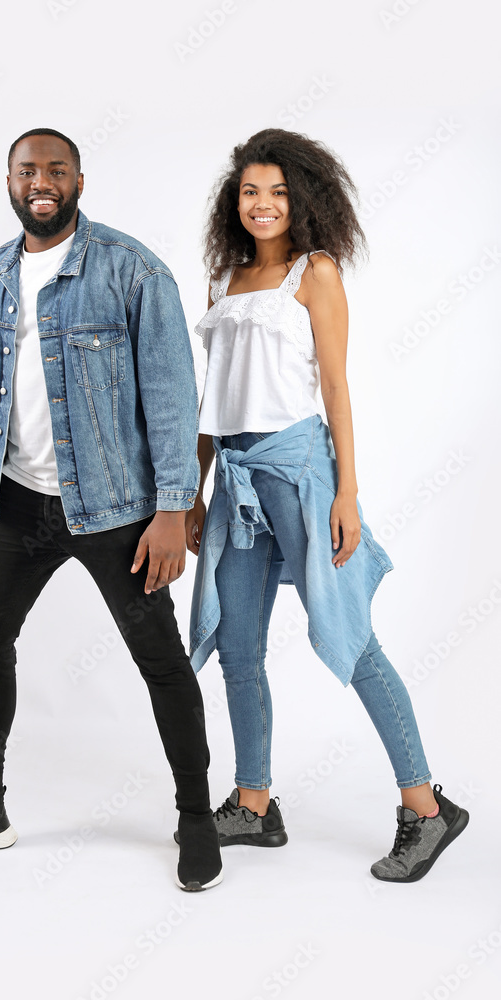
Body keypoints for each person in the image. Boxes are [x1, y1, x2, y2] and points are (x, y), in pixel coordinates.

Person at [0, 128, 222, 892]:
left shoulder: (130, 269)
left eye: (55, 169)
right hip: (15, 501)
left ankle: (196, 817)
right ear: (8, 182)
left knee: (159, 661)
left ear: (78, 180)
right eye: (26, 170)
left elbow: (173, 399)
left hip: (116, 508)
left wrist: (173, 509)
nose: (40, 181)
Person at [185, 128, 468, 882]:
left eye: (277, 192)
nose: (262, 204)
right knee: (238, 650)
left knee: (348, 639)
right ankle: (253, 804)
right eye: (250, 191)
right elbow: (209, 403)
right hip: (236, 481)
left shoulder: (315, 273)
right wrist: (194, 490)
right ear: (233, 201)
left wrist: (347, 491)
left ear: (301, 199)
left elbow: (336, 387)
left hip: (301, 470)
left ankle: (427, 810)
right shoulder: (221, 279)